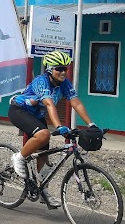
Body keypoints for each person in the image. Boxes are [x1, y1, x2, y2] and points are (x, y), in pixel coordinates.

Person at [9, 50, 100, 208]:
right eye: (59, 68)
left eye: (66, 68)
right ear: (50, 69)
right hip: (19, 111)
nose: (64, 72)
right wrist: (59, 126)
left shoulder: (64, 83)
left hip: (37, 116)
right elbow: (50, 104)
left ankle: (43, 190)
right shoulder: (41, 81)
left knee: (44, 156)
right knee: (44, 134)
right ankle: (19, 157)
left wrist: (91, 125)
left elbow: (76, 102)